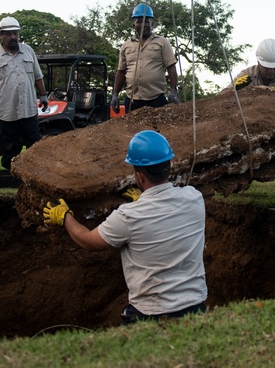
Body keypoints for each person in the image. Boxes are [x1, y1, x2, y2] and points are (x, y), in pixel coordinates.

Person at [43, 130, 207, 324]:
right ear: (168, 166)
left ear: (139, 176)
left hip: (153, 313)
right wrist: (144, 200)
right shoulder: (195, 198)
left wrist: (65, 217)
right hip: (196, 307)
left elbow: (88, 241)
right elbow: (163, 215)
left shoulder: (129, 216)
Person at [224, 39, 275, 199]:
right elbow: (222, 98)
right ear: (259, 62)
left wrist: (273, 93)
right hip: (250, 124)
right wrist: (236, 89)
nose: (271, 72)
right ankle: (233, 184)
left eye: (274, 68)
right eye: (267, 68)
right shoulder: (246, 75)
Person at [0, 16, 49, 169]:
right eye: (9, 34)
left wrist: (43, 94)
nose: (13, 37)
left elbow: (38, 76)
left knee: (36, 147)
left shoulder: (28, 51)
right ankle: (12, 178)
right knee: (10, 149)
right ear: (1, 35)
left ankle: (33, 178)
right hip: (6, 113)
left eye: (15, 33)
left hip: (28, 111)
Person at [111, 3, 179, 113]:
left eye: (147, 21)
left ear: (152, 23)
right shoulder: (126, 45)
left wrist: (174, 90)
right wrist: (115, 95)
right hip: (132, 100)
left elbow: (171, 67)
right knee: (132, 129)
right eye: (139, 21)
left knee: (157, 129)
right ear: (134, 23)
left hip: (156, 99)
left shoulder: (162, 42)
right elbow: (121, 72)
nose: (143, 24)